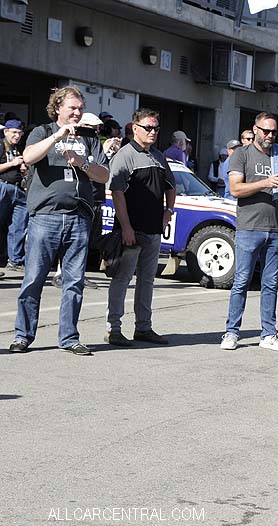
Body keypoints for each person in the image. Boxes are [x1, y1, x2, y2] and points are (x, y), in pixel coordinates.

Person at [9, 86, 109, 355]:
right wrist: (57, 136)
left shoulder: (89, 138)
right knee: (33, 279)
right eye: (72, 108)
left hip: (78, 218)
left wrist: (82, 163)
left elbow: (103, 175)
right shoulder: (42, 131)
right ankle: (23, 335)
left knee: (74, 282)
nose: (77, 113)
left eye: (80, 108)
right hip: (45, 217)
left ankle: (69, 337)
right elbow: (28, 157)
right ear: (58, 109)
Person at [104, 108, 176, 346]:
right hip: (131, 230)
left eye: (156, 128)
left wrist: (168, 212)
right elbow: (117, 193)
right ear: (135, 128)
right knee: (122, 279)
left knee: (147, 281)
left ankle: (143, 328)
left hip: (153, 230)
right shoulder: (125, 155)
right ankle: (113, 329)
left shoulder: (158, 155)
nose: (153, 132)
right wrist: (125, 227)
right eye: (148, 127)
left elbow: (170, 186)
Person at [220, 112, 278, 352]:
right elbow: (235, 189)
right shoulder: (242, 153)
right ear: (255, 129)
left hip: (276, 227)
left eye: (273, 132)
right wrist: (264, 183)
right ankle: (231, 332)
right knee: (241, 281)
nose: (269, 135)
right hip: (249, 227)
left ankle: (269, 334)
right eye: (265, 131)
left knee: (270, 283)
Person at [0, 119, 29, 272]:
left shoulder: (18, 148)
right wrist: (12, 164)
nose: (17, 136)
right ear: (6, 132)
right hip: (3, 187)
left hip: (18, 189)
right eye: (14, 132)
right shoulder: (0, 145)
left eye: (19, 133)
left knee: (19, 226)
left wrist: (23, 167)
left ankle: (15, 259)